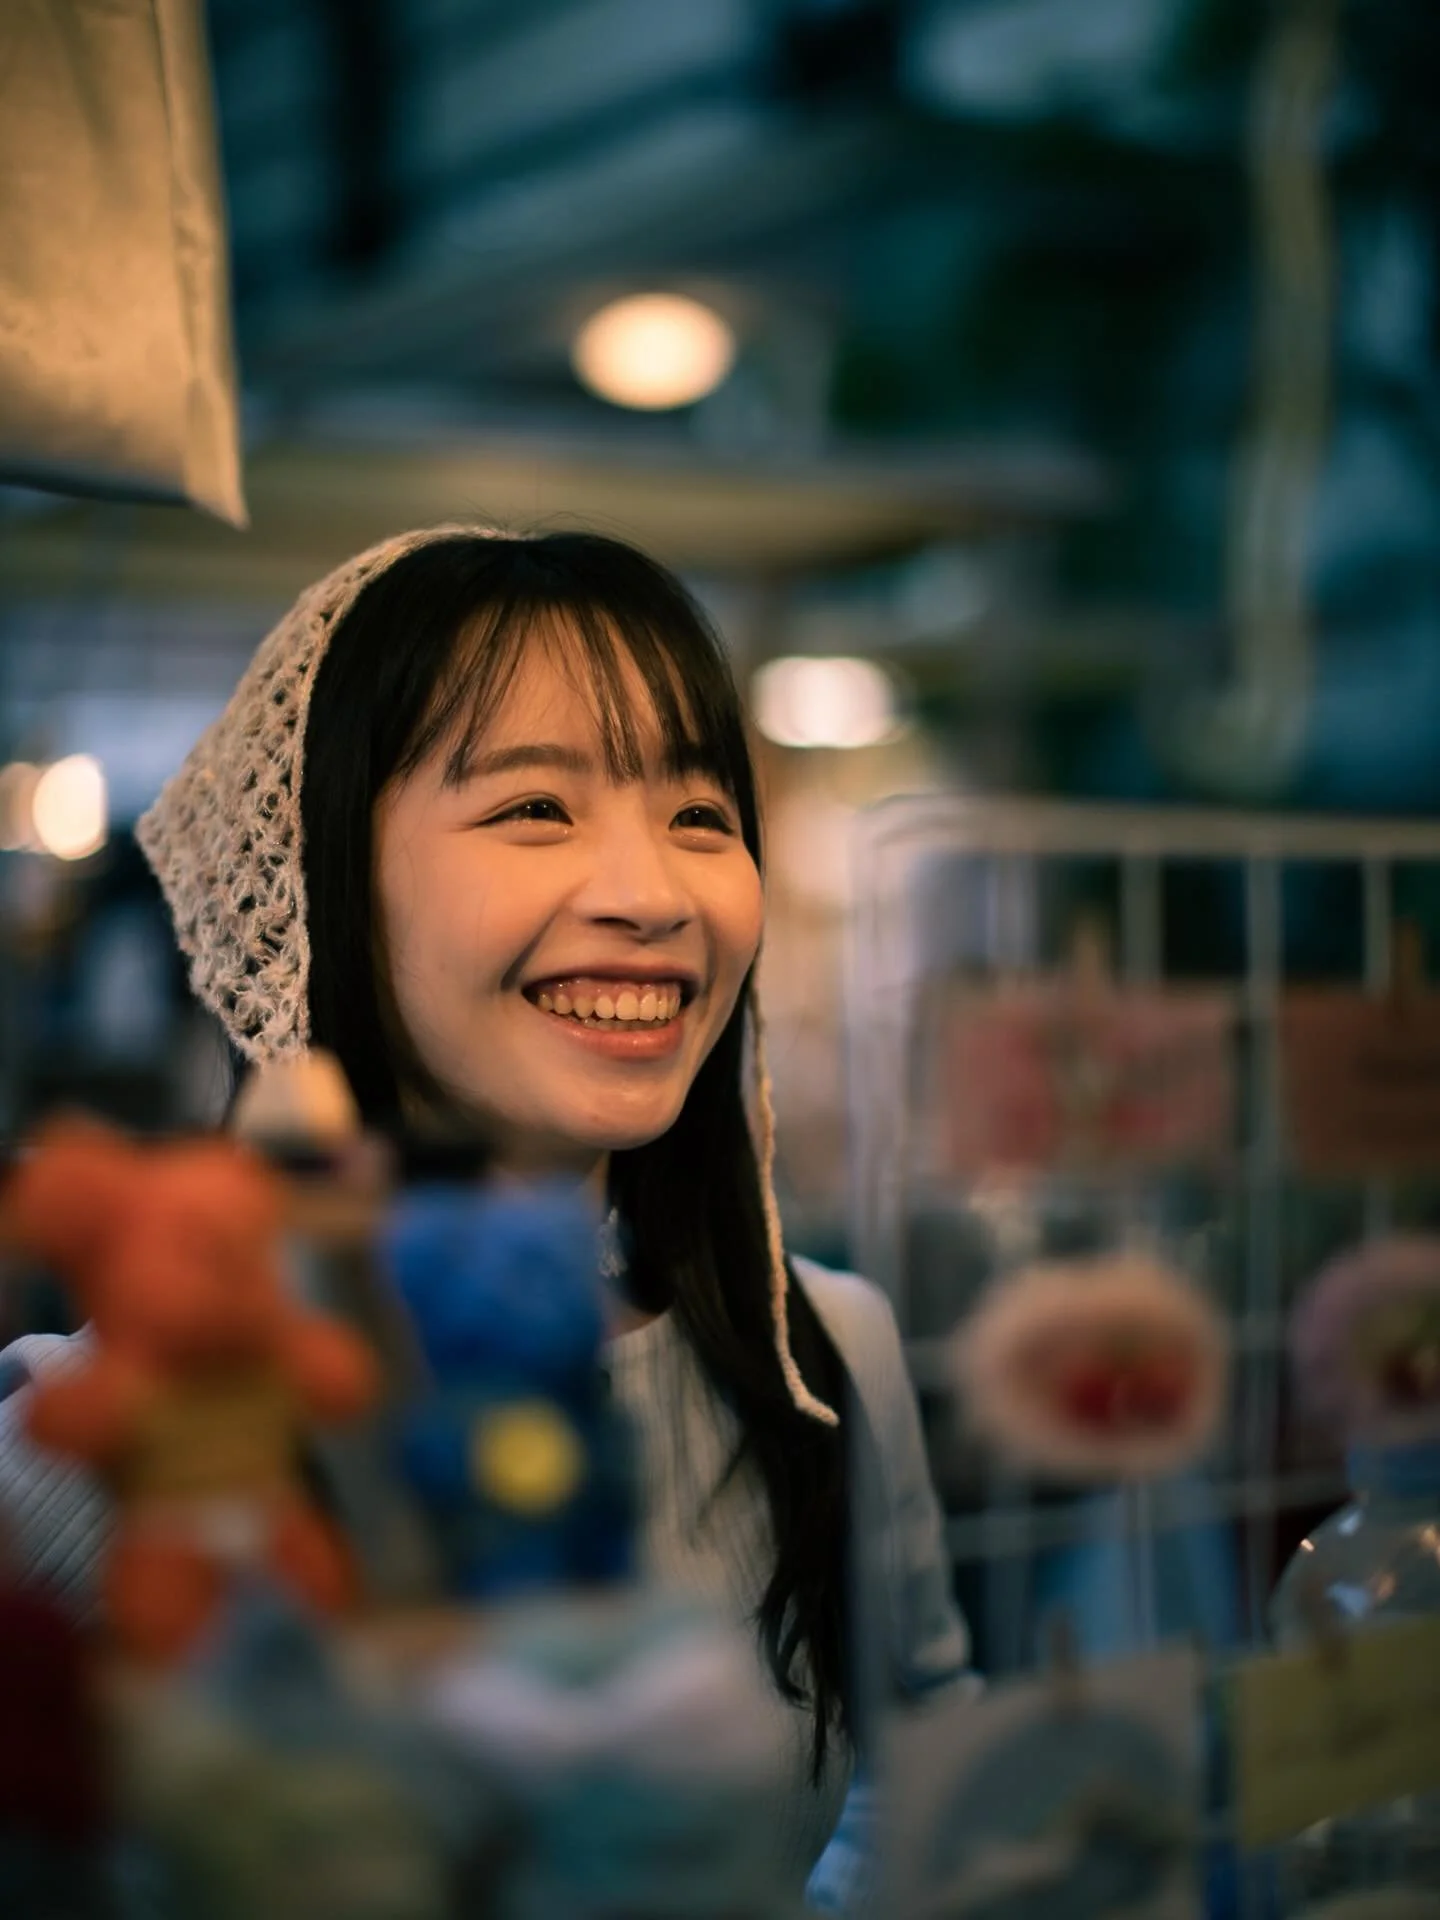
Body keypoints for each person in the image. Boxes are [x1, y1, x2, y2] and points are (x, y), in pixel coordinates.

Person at [0, 526, 969, 1906]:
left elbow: (924, 1779)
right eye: (534, 809)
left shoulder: (825, 1360)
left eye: (703, 817)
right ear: (325, 871)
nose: (652, 896)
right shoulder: (116, 1441)